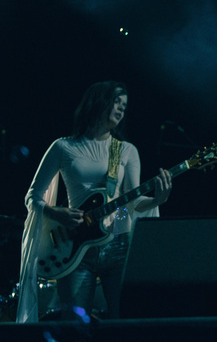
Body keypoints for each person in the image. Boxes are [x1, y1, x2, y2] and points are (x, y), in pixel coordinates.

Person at [17, 81, 172, 322]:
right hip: (74, 250)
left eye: (125, 106)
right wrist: (56, 212)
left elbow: (133, 201)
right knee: (74, 326)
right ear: (99, 102)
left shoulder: (126, 151)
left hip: (119, 246)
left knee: (124, 324)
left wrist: (156, 200)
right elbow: (32, 197)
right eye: (117, 102)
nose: (121, 109)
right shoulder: (62, 147)